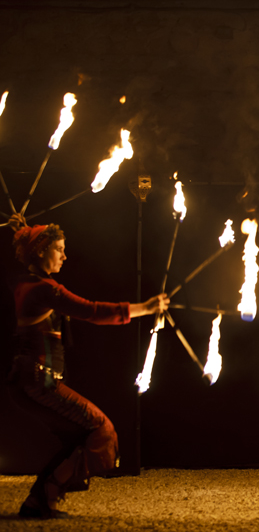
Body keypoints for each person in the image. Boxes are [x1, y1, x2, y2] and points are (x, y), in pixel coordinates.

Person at [6, 216, 168, 519]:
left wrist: (24, 232)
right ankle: (43, 497)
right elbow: (91, 311)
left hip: (29, 380)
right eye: (58, 249)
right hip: (38, 382)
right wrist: (145, 308)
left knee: (79, 436)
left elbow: (32, 255)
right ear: (41, 252)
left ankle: (39, 501)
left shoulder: (27, 284)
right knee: (100, 429)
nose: (65, 256)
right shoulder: (43, 290)